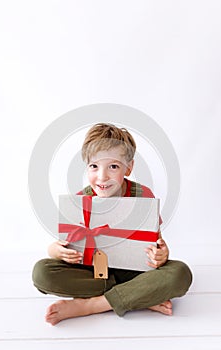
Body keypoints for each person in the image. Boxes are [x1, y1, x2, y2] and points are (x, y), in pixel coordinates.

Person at [32, 123, 192, 325]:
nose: (102, 177)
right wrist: (56, 251)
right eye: (94, 166)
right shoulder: (80, 200)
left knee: (180, 274)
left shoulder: (143, 197)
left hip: (134, 272)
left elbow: (157, 242)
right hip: (94, 273)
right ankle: (139, 297)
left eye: (113, 166)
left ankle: (90, 305)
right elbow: (61, 244)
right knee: (42, 272)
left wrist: (162, 254)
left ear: (129, 168)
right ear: (87, 166)